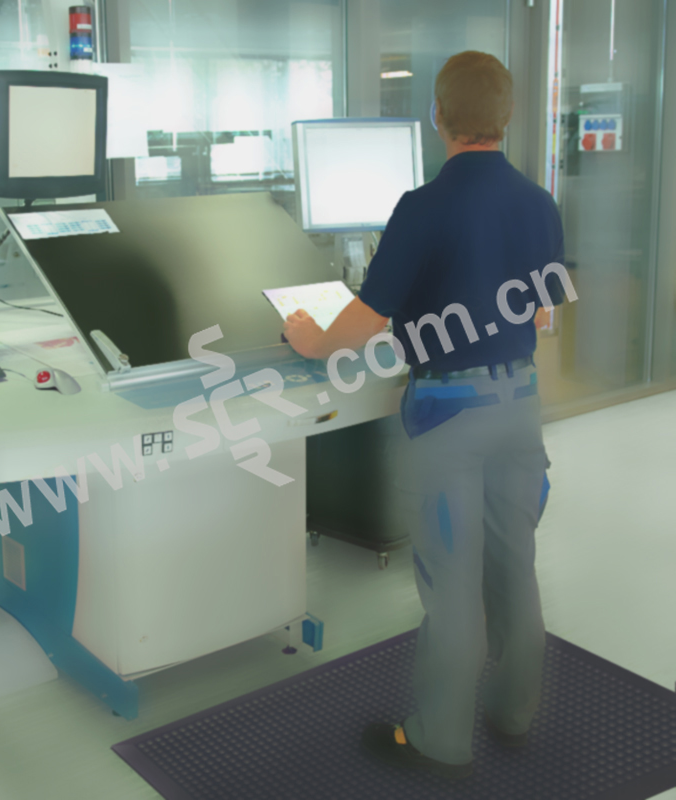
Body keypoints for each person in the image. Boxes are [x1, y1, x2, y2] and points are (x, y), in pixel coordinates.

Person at [283, 51, 567, 780]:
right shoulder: (540, 203)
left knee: (452, 587)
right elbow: (540, 312)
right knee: (515, 569)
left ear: (438, 117)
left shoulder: (421, 206)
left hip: (449, 421)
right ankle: (514, 715)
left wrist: (309, 339)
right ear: (507, 117)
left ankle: (441, 740)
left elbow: (367, 319)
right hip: (520, 409)